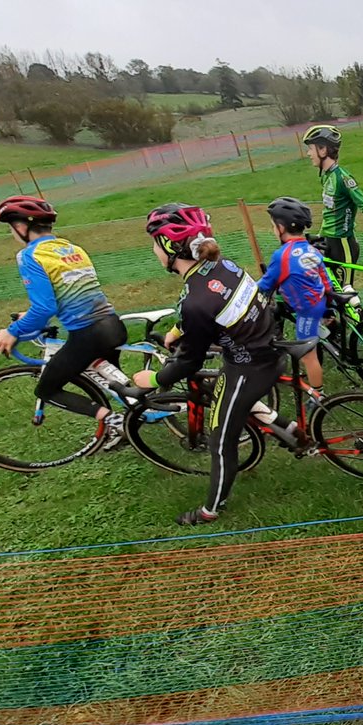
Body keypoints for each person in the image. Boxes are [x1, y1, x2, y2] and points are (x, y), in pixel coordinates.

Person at [132, 204, 282, 526]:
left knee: (219, 439)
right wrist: (175, 331)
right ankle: (294, 434)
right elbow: (207, 315)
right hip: (266, 344)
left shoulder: (195, 299)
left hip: (248, 366)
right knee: (227, 396)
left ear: (171, 248)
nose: (153, 250)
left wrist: (155, 377)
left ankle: (210, 510)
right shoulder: (222, 266)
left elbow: (189, 362)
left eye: (155, 243)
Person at [0, 195, 128, 442]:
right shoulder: (72, 248)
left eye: (11, 228)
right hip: (112, 324)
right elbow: (66, 293)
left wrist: (12, 331)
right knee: (120, 389)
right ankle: (130, 421)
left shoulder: (30, 255)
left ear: (22, 227)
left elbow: (44, 308)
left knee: (47, 389)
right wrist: (30, 316)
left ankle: (116, 422)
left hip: (88, 334)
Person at [301, 124, 363, 285]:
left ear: (323, 150)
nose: (308, 153)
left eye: (311, 149)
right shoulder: (326, 177)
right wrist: (320, 236)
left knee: (347, 295)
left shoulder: (343, 179)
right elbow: (330, 213)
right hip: (330, 242)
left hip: (343, 244)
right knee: (328, 290)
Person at [257, 197, 333, 399]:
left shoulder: (282, 255)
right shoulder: (311, 249)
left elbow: (265, 285)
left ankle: (318, 396)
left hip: (306, 311)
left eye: (273, 225)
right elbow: (326, 280)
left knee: (308, 356)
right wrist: (329, 306)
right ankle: (324, 330)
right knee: (313, 338)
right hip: (320, 301)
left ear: (281, 228)